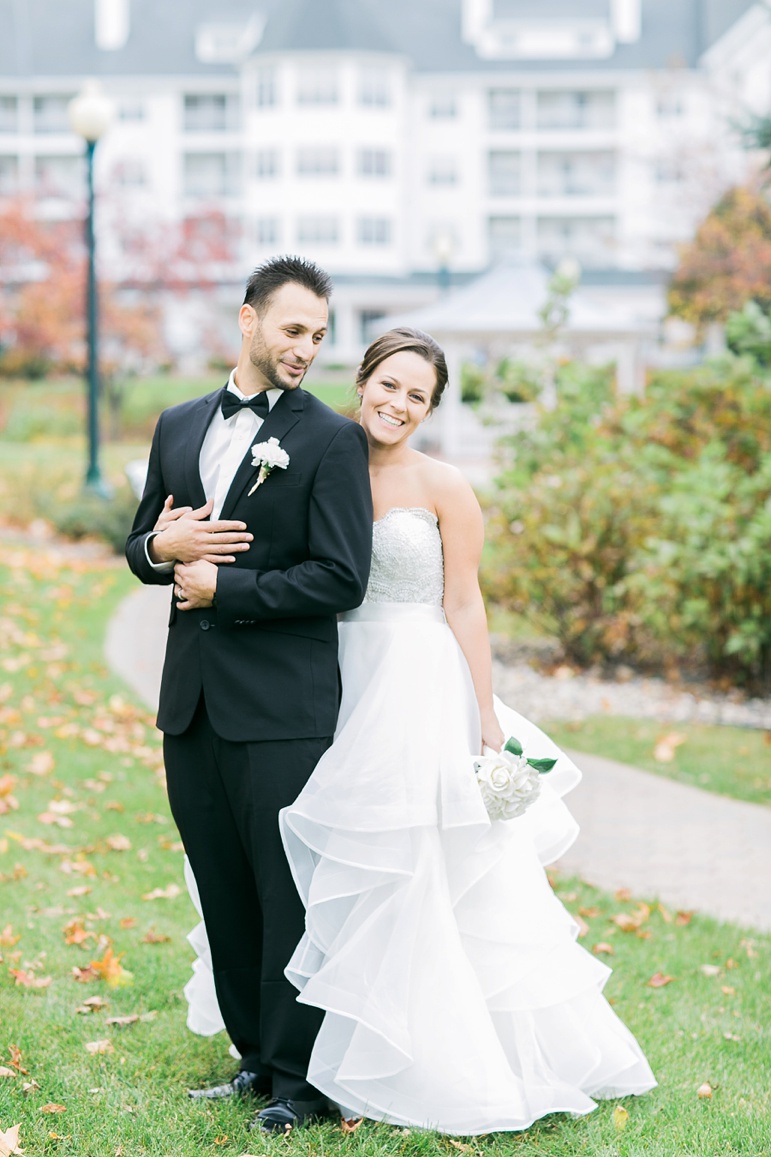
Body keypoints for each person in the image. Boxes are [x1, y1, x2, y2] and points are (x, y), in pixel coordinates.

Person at [185, 327, 656, 1135]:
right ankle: (287, 1049)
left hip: (410, 687)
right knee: (308, 866)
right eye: (388, 384)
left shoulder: (444, 485)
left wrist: (483, 714)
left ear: (430, 410)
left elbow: (464, 601)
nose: (397, 404)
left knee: (405, 869)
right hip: (321, 679)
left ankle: (407, 1055)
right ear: (362, 378)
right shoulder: (306, 456)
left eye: (417, 396)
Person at [125, 256, 373, 1135]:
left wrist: (227, 592)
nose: (307, 347)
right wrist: (161, 549)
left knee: (285, 894)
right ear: (247, 320)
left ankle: (300, 1087)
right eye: (293, 329)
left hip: (281, 709)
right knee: (221, 886)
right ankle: (254, 1058)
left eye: (318, 333)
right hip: (190, 703)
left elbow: (341, 577)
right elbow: (142, 541)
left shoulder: (332, 440)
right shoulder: (178, 423)